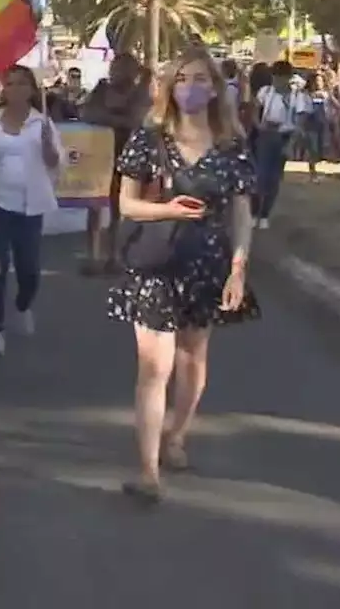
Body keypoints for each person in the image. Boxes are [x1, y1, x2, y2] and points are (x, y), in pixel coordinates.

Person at [107, 47, 259, 505]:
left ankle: (176, 434)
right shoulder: (148, 139)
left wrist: (238, 268)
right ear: (171, 87)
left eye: (201, 79)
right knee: (154, 368)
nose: (192, 86)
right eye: (183, 78)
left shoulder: (232, 146)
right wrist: (165, 209)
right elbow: (126, 205)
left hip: (207, 263)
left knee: (193, 359)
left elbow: (242, 213)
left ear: (216, 88)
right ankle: (148, 471)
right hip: (155, 261)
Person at [0, 64, 64, 356]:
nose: (14, 89)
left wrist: (47, 147)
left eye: (20, 84)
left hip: (31, 206)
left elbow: (56, 164)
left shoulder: (42, 124)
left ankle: (23, 305)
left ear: (31, 90)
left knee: (28, 268)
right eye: (10, 83)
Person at [80, 53, 149, 274]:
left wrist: (109, 117)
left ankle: (116, 255)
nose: (118, 72)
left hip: (127, 155)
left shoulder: (140, 94)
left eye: (124, 68)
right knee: (95, 206)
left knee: (121, 207)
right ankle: (94, 255)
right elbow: (87, 113)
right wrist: (118, 120)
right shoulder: (101, 90)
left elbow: (139, 119)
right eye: (116, 67)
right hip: (100, 154)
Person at [253, 60, 311, 228]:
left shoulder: (297, 97)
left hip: (284, 136)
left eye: (280, 78)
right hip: (266, 135)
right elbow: (255, 111)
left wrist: (291, 143)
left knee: (274, 178)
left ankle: (264, 214)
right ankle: (254, 210)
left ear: (288, 78)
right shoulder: (266, 92)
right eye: (275, 77)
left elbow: (300, 122)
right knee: (261, 176)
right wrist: (259, 125)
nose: (277, 82)